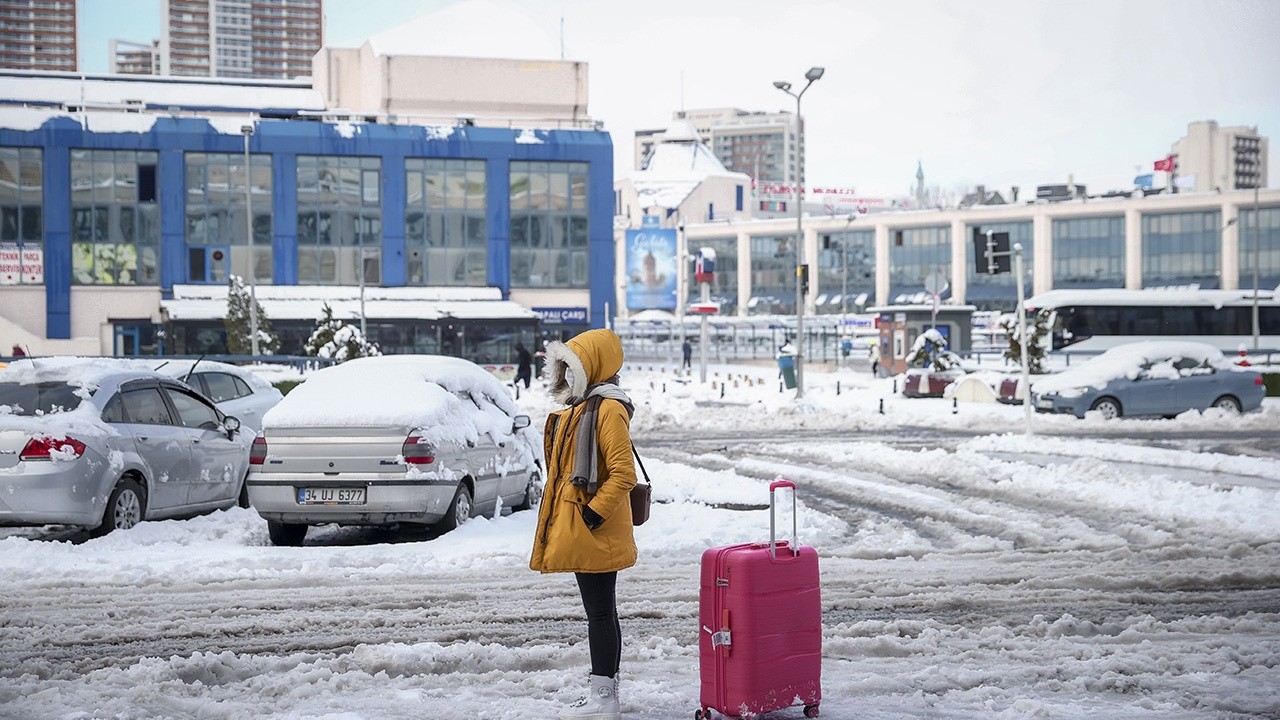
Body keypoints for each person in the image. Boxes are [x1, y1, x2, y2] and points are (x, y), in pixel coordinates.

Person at [530, 328, 637, 720]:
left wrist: (591, 514)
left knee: (600, 615)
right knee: (603, 612)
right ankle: (605, 694)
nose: (566, 378)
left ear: (591, 368)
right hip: (588, 526)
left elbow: (622, 473)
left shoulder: (607, 410)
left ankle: (604, 700)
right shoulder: (584, 409)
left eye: (571, 369)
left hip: (595, 527)